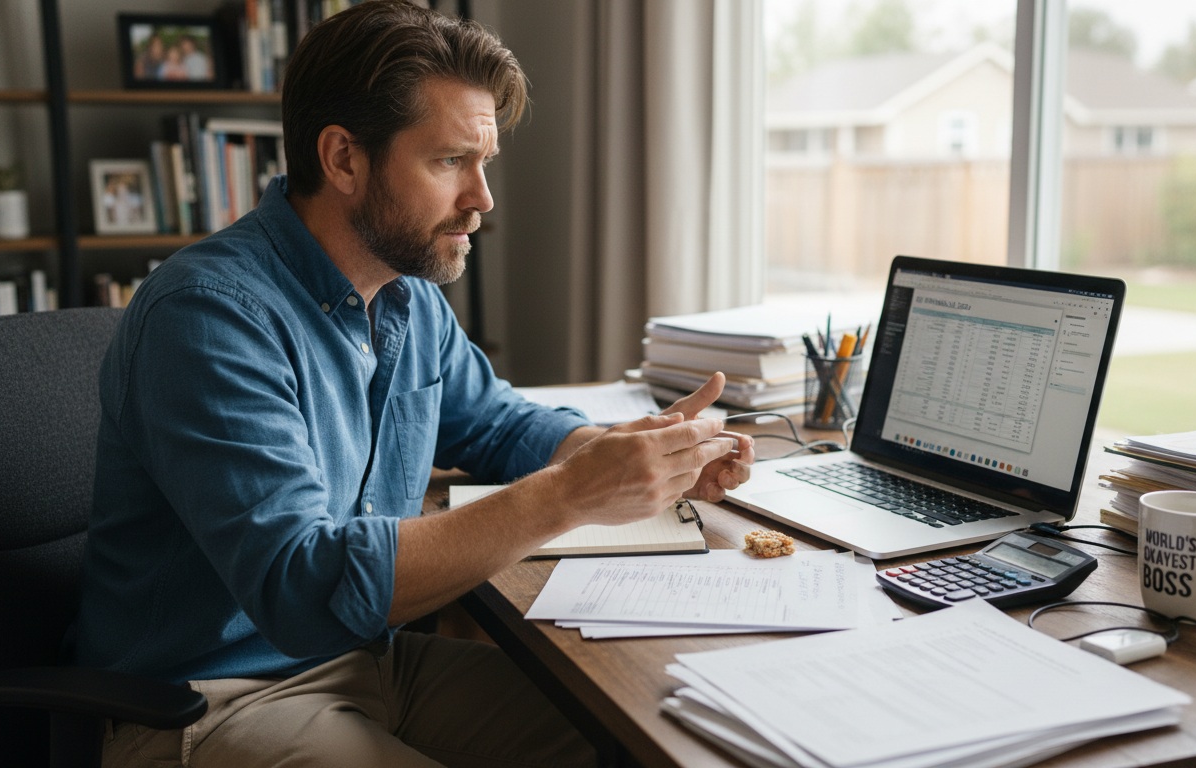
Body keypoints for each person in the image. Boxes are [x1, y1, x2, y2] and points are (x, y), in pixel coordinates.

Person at [70, 2, 754, 767]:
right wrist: (569, 494)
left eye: (484, 162)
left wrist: (627, 453)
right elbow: (301, 584)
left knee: (656, 735)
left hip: (370, 666)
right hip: (208, 703)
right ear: (344, 160)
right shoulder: (208, 316)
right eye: (449, 162)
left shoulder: (405, 296)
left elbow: (493, 424)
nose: (482, 199)